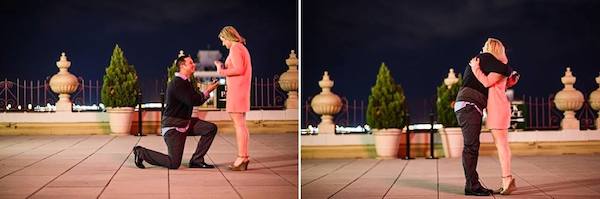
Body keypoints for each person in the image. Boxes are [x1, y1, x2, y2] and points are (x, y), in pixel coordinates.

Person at [454, 37, 518, 196]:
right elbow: (503, 70)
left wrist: (511, 75)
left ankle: (475, 184)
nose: (482, 49)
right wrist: (511, 72)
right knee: (471, 146)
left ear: (490, 48)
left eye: (485, 46)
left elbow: (502, 72)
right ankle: (472, 185)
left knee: (473, 146)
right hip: (469, 105)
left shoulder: (488, 62)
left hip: (472, 106)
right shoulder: (484, 59)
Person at [133, 55, 219, 169]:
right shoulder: (177, 83)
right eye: (191, 63)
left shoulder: (186, 82)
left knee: (210, 128)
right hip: (174, 127)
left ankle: (197, 160)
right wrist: (207, 90)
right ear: (182, 66)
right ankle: (141, 153)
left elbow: (195, 97)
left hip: (185, 123)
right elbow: (193, 100)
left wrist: (205, 92)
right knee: (173, 163)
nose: (194, 65)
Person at [214, 26, 253, 171]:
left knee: (239, 125)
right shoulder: (241, 48)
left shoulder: (236, 48)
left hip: (237, 91)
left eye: (223, 40)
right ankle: (244, 156)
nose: (223, 44)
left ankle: (242, 157)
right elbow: (239, 68)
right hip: (241, 90)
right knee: (241, 124)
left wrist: (220, 70)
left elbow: (238, 70)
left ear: (228, 37)